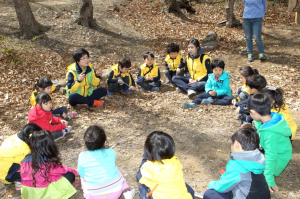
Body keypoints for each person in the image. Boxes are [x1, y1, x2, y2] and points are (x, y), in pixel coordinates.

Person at [203, 128, 270, 199]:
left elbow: (222, 187)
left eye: (232, 144)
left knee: (210, 194)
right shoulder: (257, 159)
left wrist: (211, 184)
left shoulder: (237, 164)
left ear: (236, 144)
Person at [248, 94, 292, 192]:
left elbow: (271, 156)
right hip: (274, 151)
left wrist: (268, 179)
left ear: (253, 112)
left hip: (277, 160)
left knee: (248, 169)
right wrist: (258, 123)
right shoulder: (271, 117)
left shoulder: (269, 133)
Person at [78, 125, 135, 199]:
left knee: (83, 178)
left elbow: (81, 174)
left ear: (85, 143)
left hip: (93, 196)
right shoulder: (111, 152)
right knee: (115, 169)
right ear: (104, 142)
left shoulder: (82, 156)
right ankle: (126, 190)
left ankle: (86, 196)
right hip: (116, 192)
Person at [20, 130, 78, 199]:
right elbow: (61, 170)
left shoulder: (25, 160)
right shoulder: (47, 161)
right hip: (43, 194)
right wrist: (74, 172)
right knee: (70, 175)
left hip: (28, 194)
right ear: (50, 144)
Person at [136, 131, 194, 199]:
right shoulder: (175, 161)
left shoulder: (148, 168)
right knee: (181, 184)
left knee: (143, 186)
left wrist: (145, 157)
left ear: (147, 151)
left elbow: (138, 177)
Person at [0, 123, 42, 193]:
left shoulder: (14, 137)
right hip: (7, 176)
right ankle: (19, 181)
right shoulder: (24, 150)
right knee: (35, 171)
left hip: (2, 169)